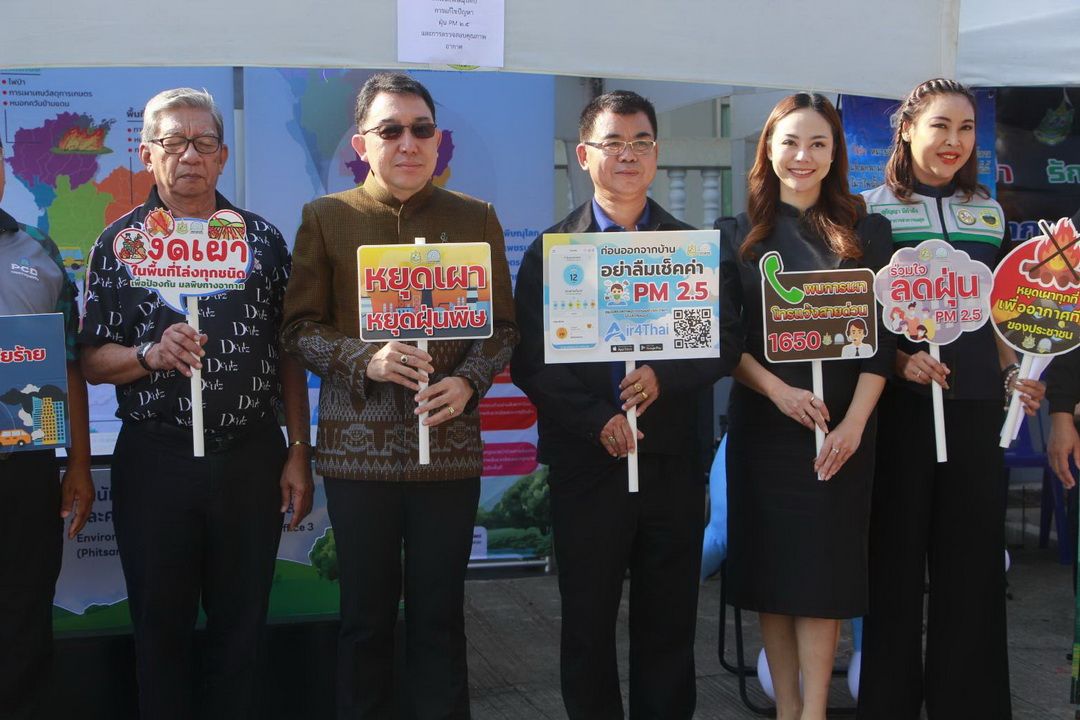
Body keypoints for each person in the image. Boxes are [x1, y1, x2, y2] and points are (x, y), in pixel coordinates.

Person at [279, 72, 517, 720]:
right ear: (361, 142)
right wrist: (367, 359)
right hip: (358, 457)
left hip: (449, 449)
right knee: (365, 618)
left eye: (421, 129)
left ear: (438, 140)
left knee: (441, 617)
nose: (408, 142)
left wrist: (469, 381)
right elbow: (298, 329)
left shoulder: (475, 218)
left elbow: (503, 328)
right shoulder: (327, 218)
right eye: (390, 130)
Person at [78, 88, 312, 720]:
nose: (190, 155)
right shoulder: (119, 245)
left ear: (222, 155)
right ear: (146, 154)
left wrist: (298, 449)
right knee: (161, 629)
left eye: (204, 142)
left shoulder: (261, 241)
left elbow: (288, 351)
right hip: (156, 459)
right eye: (174, 142)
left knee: (242, 625)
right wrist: (149, 354)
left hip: (251, 457)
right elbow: (92, 360)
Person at [511, 89, 741, 720]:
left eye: (641, 142)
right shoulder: (553, 251)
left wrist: (663, 375)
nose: (628, 155)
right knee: (587, 623)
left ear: (656, 154)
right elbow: (532, 362)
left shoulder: (690, 248)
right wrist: (599, 421)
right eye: (613, 142)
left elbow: (722, 343)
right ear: (585, 155)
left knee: (669, 620)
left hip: (669, 461)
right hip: (588, 464)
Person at [857, 78, 1044, 720]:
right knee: (894, 566)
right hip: (900, 408)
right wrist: (899, 360)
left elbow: (999, 317)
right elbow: (860, 320)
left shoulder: (988, 212)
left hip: (974, 411)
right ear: (907, 128)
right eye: (940, 126)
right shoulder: (867, 210)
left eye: (965, 129)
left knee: (972, 568)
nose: (953, 141)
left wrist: (1014, 374)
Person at [717, 92, 894, 720]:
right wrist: (779, 391)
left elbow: (883, 344)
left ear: (835, 153)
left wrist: (854, 425)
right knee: (773, 578)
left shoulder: (869, 231)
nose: (803, 155)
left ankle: (814, 712)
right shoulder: (734, 235)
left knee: (824, 580)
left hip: (842, 434)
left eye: (818, 143)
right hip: (766, 432)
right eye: (790, 141)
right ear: (768, 148)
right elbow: (726, 343)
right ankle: (786, 709)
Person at [0, 136, 94, 718]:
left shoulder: (37, 249)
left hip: (24, 463)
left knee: (24, 613)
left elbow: (69, 363)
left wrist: (78, 464)